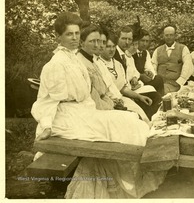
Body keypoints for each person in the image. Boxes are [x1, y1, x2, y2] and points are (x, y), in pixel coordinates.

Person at [31, 12, 166, 198]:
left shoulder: (73, 59)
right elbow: (46, 100)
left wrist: (102, 110)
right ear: (58, 36)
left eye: (77, 33)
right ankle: (135, 175)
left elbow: (87, 95)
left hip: (83, 111)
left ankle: (142, 171)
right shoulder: (55, 64)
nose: (74, 38)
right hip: (65, 117)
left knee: (129, 119)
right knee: (121, 124)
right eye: (69, 34)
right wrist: (46, 125)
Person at [76, 24, 150, 122]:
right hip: (100, 108)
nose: (98, 45)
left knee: (141, 117)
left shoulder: (96, 61)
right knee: (134, 120)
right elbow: (95, 95)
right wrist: (114, 105)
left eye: (100, 42)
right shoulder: (80, 62)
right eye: (92, 41)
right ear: (82, 43)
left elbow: (110, 88)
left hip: (114, 101)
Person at [113, 25, 162, 119]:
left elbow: (134, 72)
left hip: (129, 88)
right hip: (120, 92)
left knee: (154, 95)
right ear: (117, 39)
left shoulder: (127, 55)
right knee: (153, 97)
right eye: (123, 38)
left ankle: (153, 119)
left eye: (129, 39)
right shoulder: (113, 54)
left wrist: (135, 78)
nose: (127, 42)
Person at [151, 25, 194, 94]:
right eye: (166, 35)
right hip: (160, 83)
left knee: (163, 93)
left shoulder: (183, 48)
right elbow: (153, 66)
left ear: (175, 36)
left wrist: (180, 81)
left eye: (171, 35)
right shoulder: (158, 50)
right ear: (163, 36)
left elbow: (188, 65)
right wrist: (156, 81)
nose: (169, 37)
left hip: (175, 84)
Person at [130, 28, 165, 96]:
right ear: (138, 40)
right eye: (142, 41)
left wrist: (150, 73)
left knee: (158, 78)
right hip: (135, 81)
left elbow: (149, 67)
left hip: (144, 79)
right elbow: (131, 70)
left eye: (147, 41)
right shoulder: (131, 52)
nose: (145, 44)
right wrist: (140, 76)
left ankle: (161, 99)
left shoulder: (145, 53)